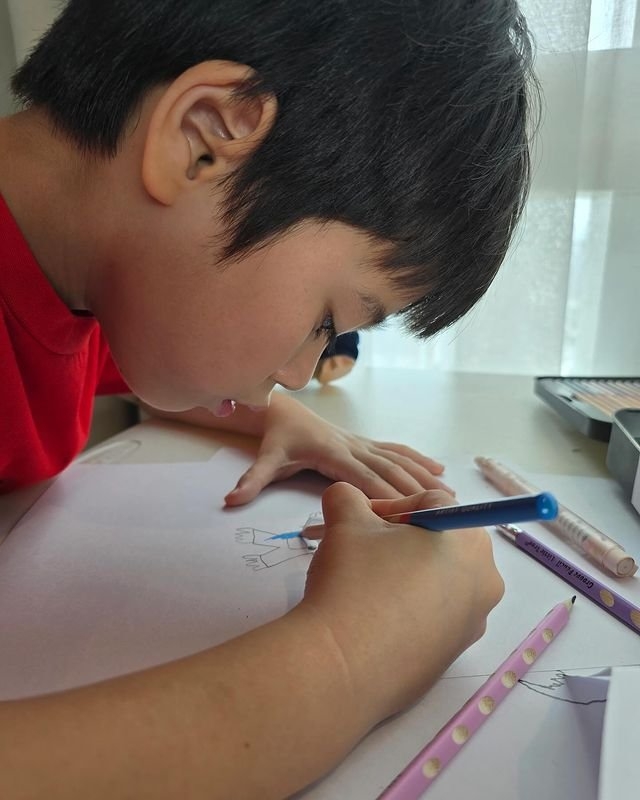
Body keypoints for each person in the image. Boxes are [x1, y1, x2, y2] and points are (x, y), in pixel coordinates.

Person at [0, 1, 538, 797]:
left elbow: (110, 362)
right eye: (327, 321)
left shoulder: (83, 276)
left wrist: (275, 415)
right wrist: (353, 655)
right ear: (203, 139)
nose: (300, 372)